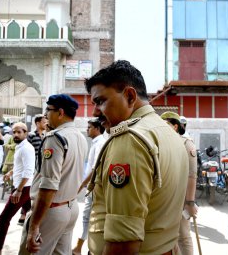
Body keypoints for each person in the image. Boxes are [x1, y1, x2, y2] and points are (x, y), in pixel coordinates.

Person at [84, 60, 189, 254]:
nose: (94, 112)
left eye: (100, 101)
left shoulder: (130, 140)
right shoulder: (166, 132)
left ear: (130, 96)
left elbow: (124, 242)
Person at [20, 94, 88, 254]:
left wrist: (34, 226)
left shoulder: (55, 138)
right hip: (70, 207)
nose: (45, 115)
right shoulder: (79, 136)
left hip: (51, 210)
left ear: (61, 112)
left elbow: (48, 185)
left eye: (48, 110)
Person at [0, 122, 35, 255]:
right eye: (14, 132)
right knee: (32, 218)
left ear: (26, 133)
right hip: (24, 187)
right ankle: (37, 247)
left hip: (23, 188)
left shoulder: (26, 148)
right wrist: (11, 173)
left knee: (5, 217)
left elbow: (28, 171)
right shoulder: (20, 146)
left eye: (19, 132)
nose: (16, 134)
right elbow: (21, 166)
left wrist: (19, 190)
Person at [161, 111, 198, 255]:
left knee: (183, 236)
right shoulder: (163, 143)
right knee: (168, 236)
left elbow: (191, 175)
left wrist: (190, 202)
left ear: (175, 126)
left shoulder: (186, 144)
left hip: (181, 198)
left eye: (166, 124)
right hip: (165, 197)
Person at [72, 119, 106, 255]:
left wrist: (81, 185)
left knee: (88, 217)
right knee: (90, 217)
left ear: (97, 128)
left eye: (89, 127)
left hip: (94, 186)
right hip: (91, 186)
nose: (87, 129)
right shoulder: (96, 143)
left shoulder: (100, 143)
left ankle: (80, 248)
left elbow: (95, 168)